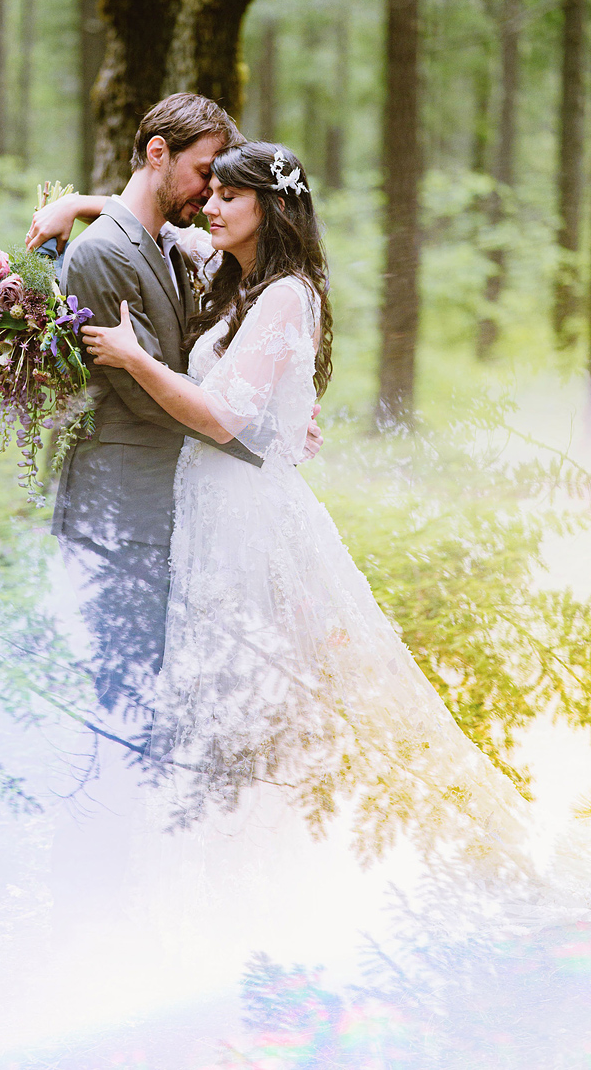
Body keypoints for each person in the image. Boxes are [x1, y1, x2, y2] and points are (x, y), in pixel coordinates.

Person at [39, 137, 532, 873]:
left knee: (259, 682)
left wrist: (136, 356)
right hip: (210, 508)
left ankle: (286, 850)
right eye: (209, 193)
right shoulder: (237, 276)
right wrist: (77, 205)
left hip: (247, 517)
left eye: (228, 197)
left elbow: (218, 416)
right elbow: (159, 227)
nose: (208, 206)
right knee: (213, 686)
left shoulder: (284, 295)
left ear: (268, 210)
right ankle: (212, 851)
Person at [22, 93, 321, 726]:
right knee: (124, 691)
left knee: (192, 684)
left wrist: (76, 202)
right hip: (125, 502)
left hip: (183, 501)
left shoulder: (170, 242)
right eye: (206, 174)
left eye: (226, 188)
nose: (210, 195)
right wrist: (262, 436)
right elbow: (151, 401)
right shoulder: (104, 254)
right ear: (158, 154)